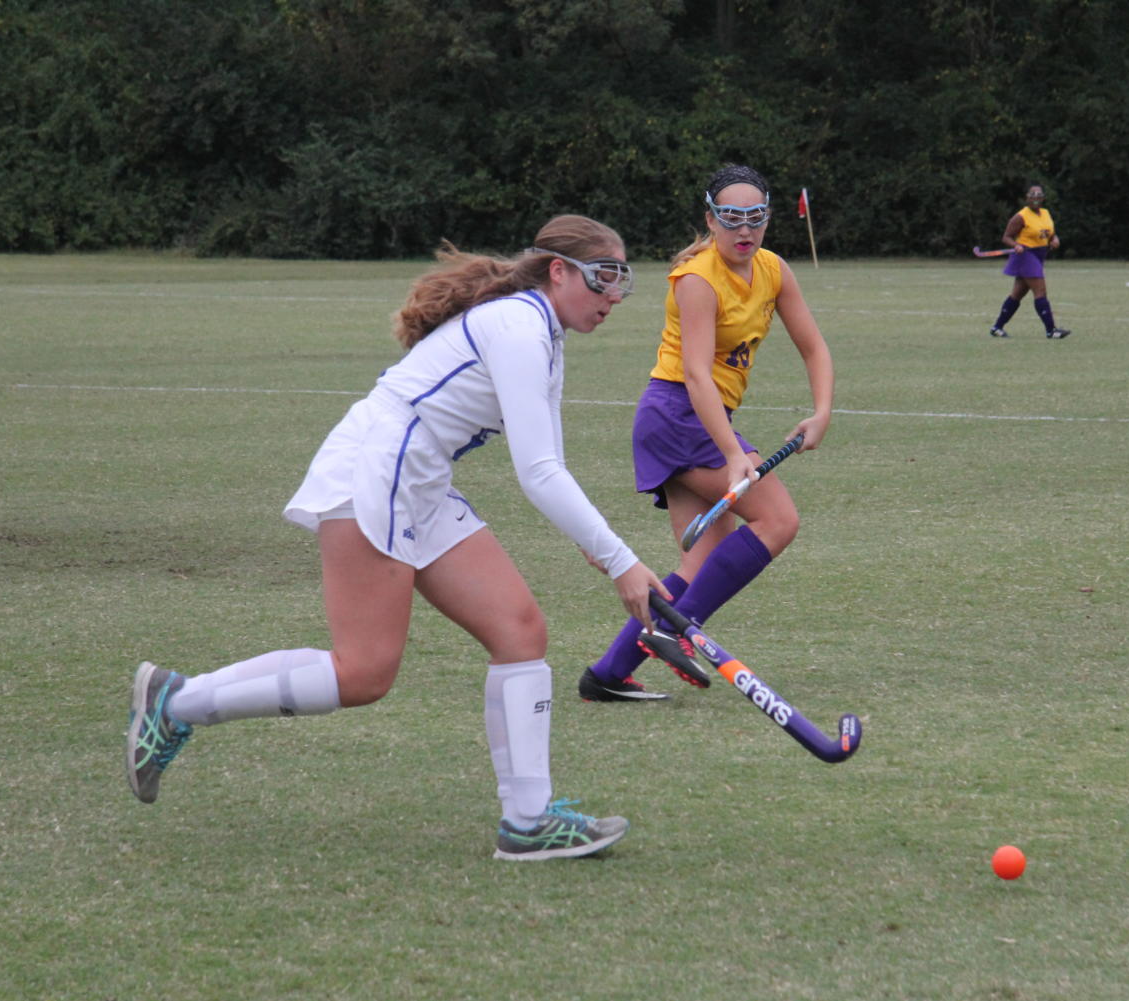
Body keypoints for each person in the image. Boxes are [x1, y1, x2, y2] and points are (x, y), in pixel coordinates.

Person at [126, 215, 672, 861]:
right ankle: (178, 701)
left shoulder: (540, 333)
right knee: (363, 671)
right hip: (376, 471)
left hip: (419, 478)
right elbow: (539, 472)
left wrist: (600, 546)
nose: (613, 296)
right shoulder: (520, 327)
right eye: (603, 277)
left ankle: (527, 821)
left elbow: (547, 462)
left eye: (622, 282)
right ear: (558, 270)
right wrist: (621, 562)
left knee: (519, 630)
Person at [579, 165, 834, 702]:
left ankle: (608, 674)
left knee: (700, 562)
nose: (744, 229)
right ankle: (672, 630)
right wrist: (731, 453)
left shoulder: (774, 270)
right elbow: (696, 375)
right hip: (680, 414)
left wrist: (821, 410)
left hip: (697, 416)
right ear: (711, 220)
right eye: (731, 217)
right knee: (778, 519)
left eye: (756, 217)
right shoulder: (697, 278)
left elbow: (813, 346)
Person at [988, 184, 1071, 339]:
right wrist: (1016, 245)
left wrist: (1055, 240)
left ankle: (996, 328)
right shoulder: (1021, 216)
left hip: (1040, 255)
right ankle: (1051, 330)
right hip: (1025, 255)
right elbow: (1006, 237)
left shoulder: (1046, 213)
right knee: (1040, 292)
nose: (1035, 198)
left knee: (1017, 294)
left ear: (1043, 198)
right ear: (1027, 198)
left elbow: (1051, 234)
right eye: (1032, 195)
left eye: (1038, 195)